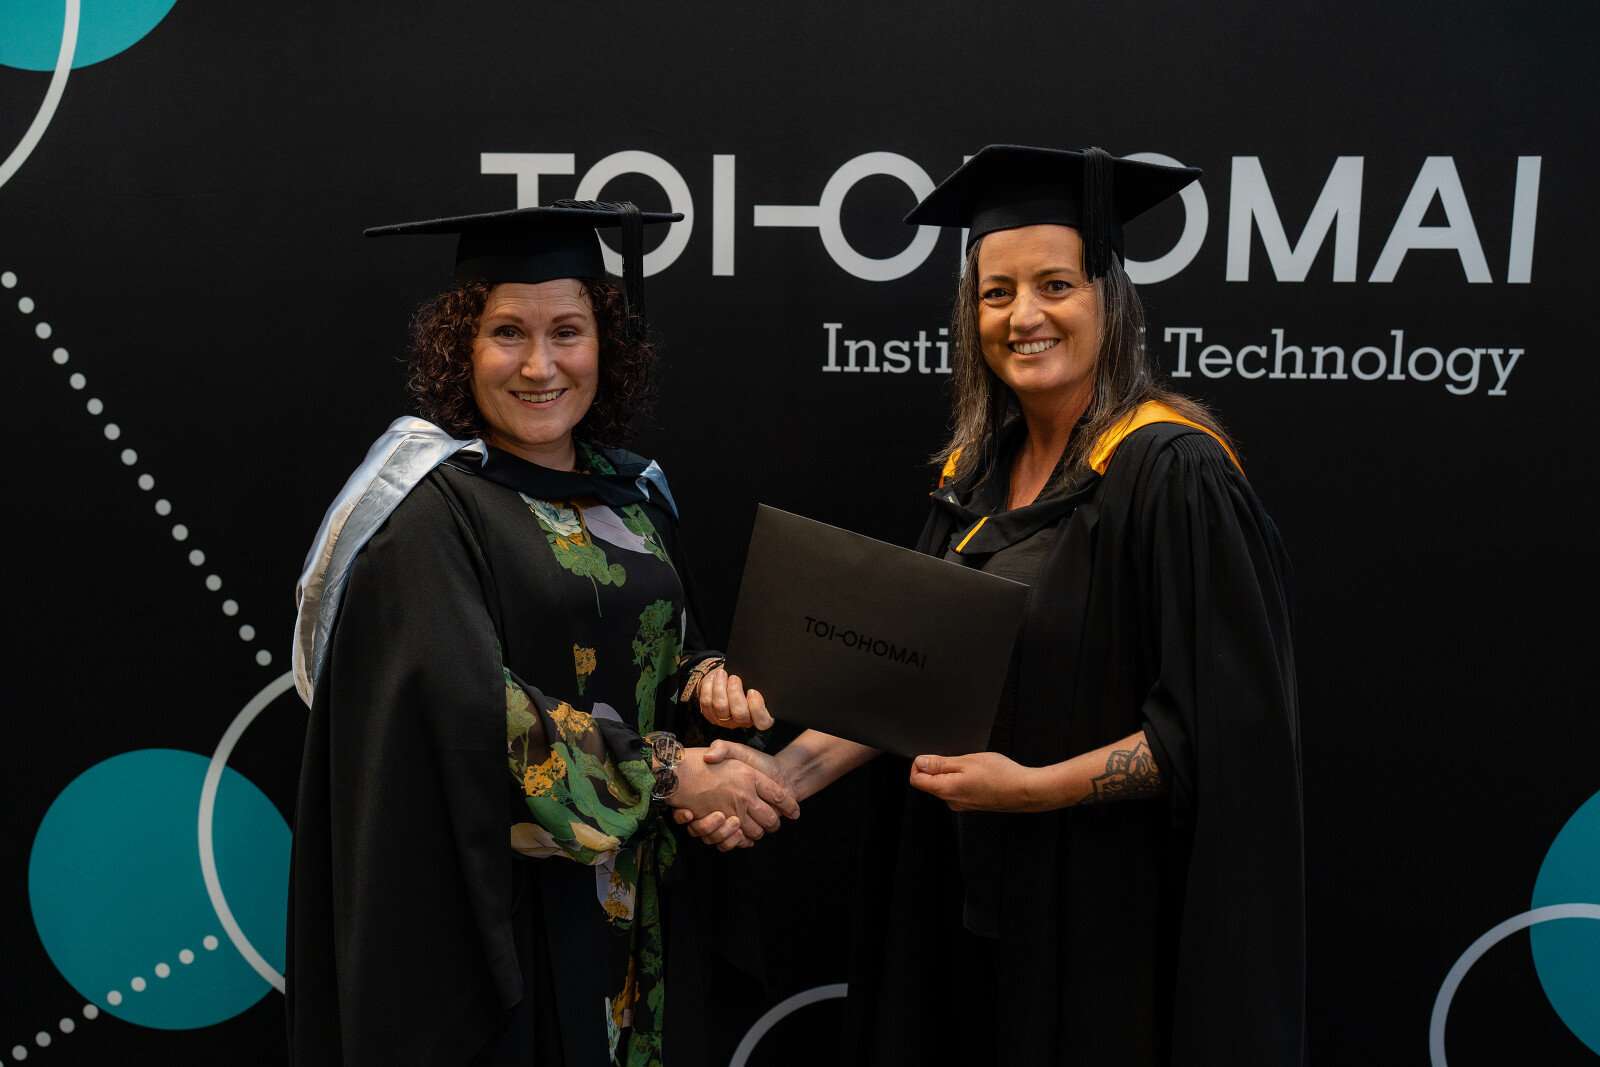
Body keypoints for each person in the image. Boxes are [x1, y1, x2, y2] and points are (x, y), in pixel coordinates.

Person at [682, 147, 1305, 1065]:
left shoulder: (1173, 473)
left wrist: (1034, 789)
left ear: (1109, 298)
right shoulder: (974, 475)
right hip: (969, 905)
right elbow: (908, 676)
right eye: (996, 293)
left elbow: (1223, 731)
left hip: (1102, 918)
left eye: (1056, 285)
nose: (1024, 317)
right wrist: (776, 777)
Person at [286, 200, 792, 1066]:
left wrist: (704, 684)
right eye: (507, 333)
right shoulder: (428, 511)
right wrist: (672, 773)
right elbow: (468, 714)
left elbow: (664, 644)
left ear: (607, 345)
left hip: (638, 909)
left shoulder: (632, 494)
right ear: (462, 347)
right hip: (504, 920)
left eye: (568, 331)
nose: (539, 364)